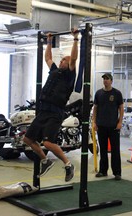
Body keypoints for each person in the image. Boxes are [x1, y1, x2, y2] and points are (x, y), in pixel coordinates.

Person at [23, 29, 79, 182]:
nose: (61, 62)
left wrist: (75, 39)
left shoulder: (69, 75)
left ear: (68, 65)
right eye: (61, 60)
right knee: (27, 140)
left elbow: (73, 59)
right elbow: (47, 57)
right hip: (43, 110)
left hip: (55, 112)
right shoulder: (54, 70)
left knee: (48, 142)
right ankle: (45, 160)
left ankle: (68, 165)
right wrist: (48, 41)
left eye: (64, 61)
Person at [92, 73, 124, 180]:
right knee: (103, 149)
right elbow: (95, 109)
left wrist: (120, 122)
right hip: (101, 126)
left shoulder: (117, 93)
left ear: (111, 81)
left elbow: (121, 108)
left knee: (115, 150)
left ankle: (117, 173)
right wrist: (94, 122)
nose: (105, 81)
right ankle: (103, 171)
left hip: (114, 126)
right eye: (104, 79)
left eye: (107, 79)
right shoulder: (98, 93)